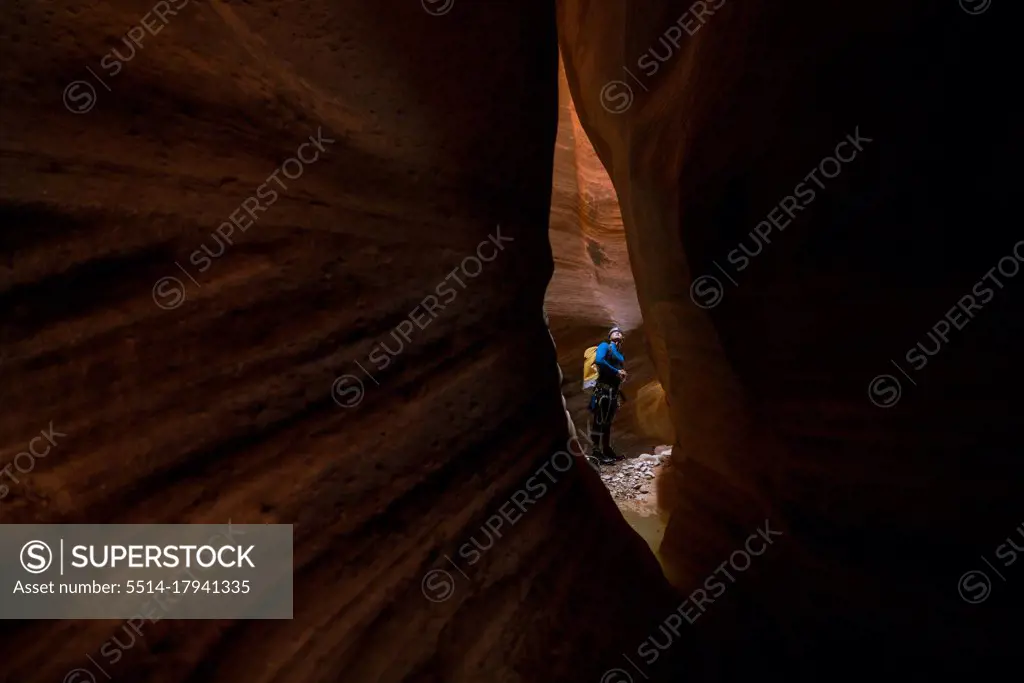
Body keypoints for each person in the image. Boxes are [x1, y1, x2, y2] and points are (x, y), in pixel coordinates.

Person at [589, 326, 627, 465]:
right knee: (599, 421)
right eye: (614, 332)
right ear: (609, 336)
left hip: (612, 392)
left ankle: (606, 450)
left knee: (607, 423)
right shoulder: (605, 346)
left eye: (619, 332)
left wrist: (620, 376)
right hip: (603, 391)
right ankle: (596, 452)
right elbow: (599, 360)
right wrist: (616, 372)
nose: (617, 332)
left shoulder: (619, 354)